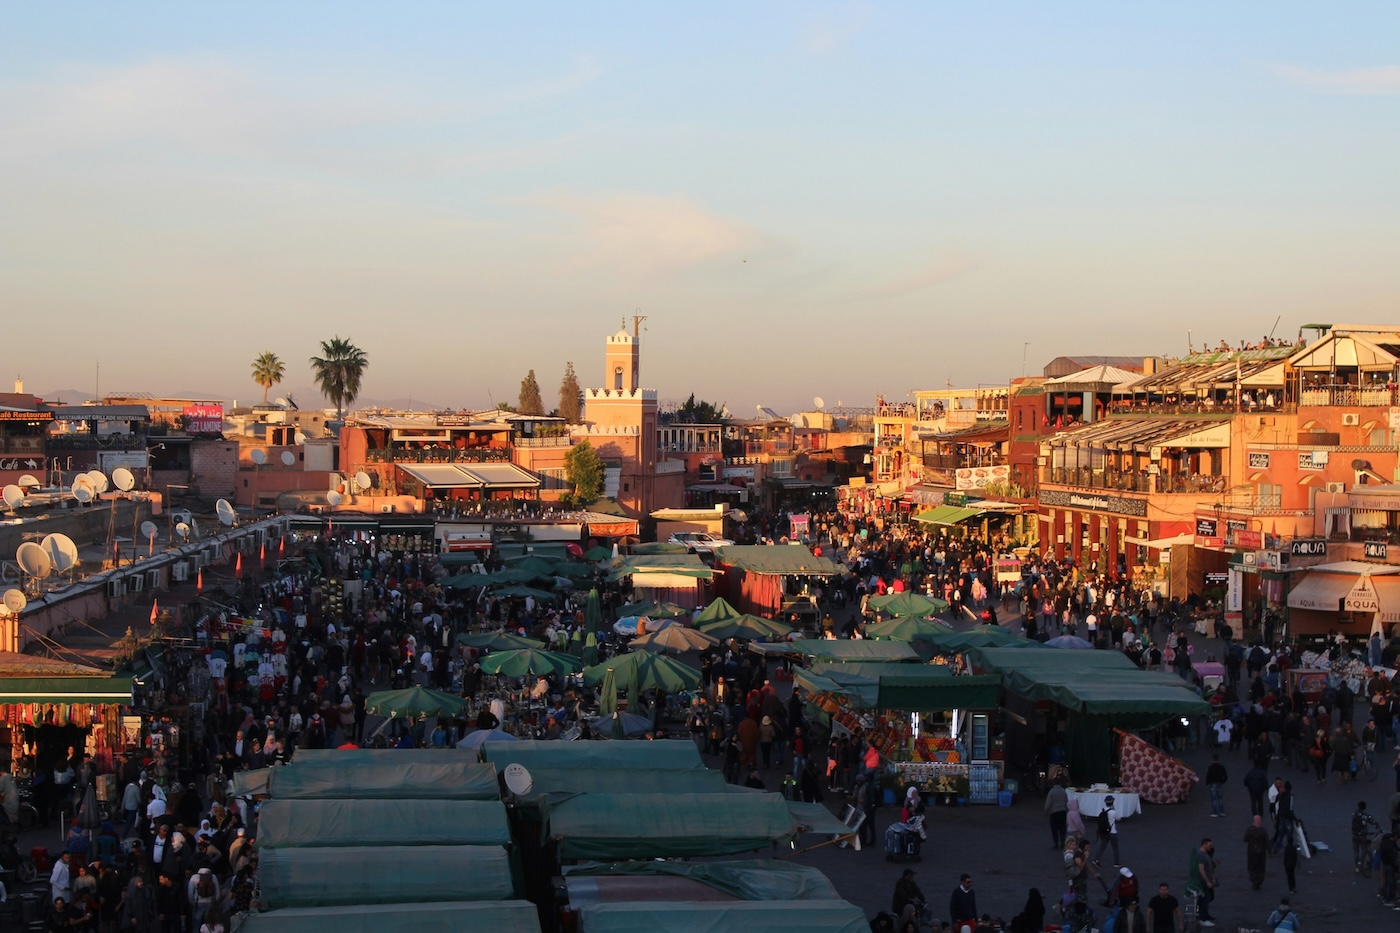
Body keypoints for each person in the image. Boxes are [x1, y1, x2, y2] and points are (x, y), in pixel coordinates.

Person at [1187, 838, 1218, 928]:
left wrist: (1212, 878)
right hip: (1202, 882)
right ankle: (1202, 919)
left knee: (1210, 897)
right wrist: (1207, 881)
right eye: (1209, 845)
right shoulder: (1200, 855)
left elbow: (1209, 868)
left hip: (1208, 880)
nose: (1211, 847)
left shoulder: (1206, 854)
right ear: (1204, 844)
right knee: (1205, 899)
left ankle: (1203, 914)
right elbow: (1201, 870)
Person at [1092, 795, 1121, 868]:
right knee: (1115, 848)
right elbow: (1118, 818)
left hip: (1104, 832)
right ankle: (1116, 863)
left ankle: (1096, 859)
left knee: (1102, 847)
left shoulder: (1102, 811)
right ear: (1112, 802)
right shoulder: (1113, 812)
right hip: (1113, 832)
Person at [1243, 815, 1269, 890]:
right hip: (1261, 852)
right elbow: (1267, 842)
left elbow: (1245, 839)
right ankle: (1259, 881)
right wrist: (1269, 851)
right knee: (1261, 867)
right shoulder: (1263, 831)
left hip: (1252, 852)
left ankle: (1254, 881)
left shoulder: (1249, 830)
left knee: (1252, 867)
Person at [1045, 779, 1069, 849]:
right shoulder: (1063, 791)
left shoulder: (1051, 792)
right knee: (1062, 829)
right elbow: (1066, 801)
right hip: (1062, 812)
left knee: (1054, 829)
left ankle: (1056, 843)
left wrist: (1046, 812)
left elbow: (1048, 804)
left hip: (1054, 812)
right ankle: (1062, 843)